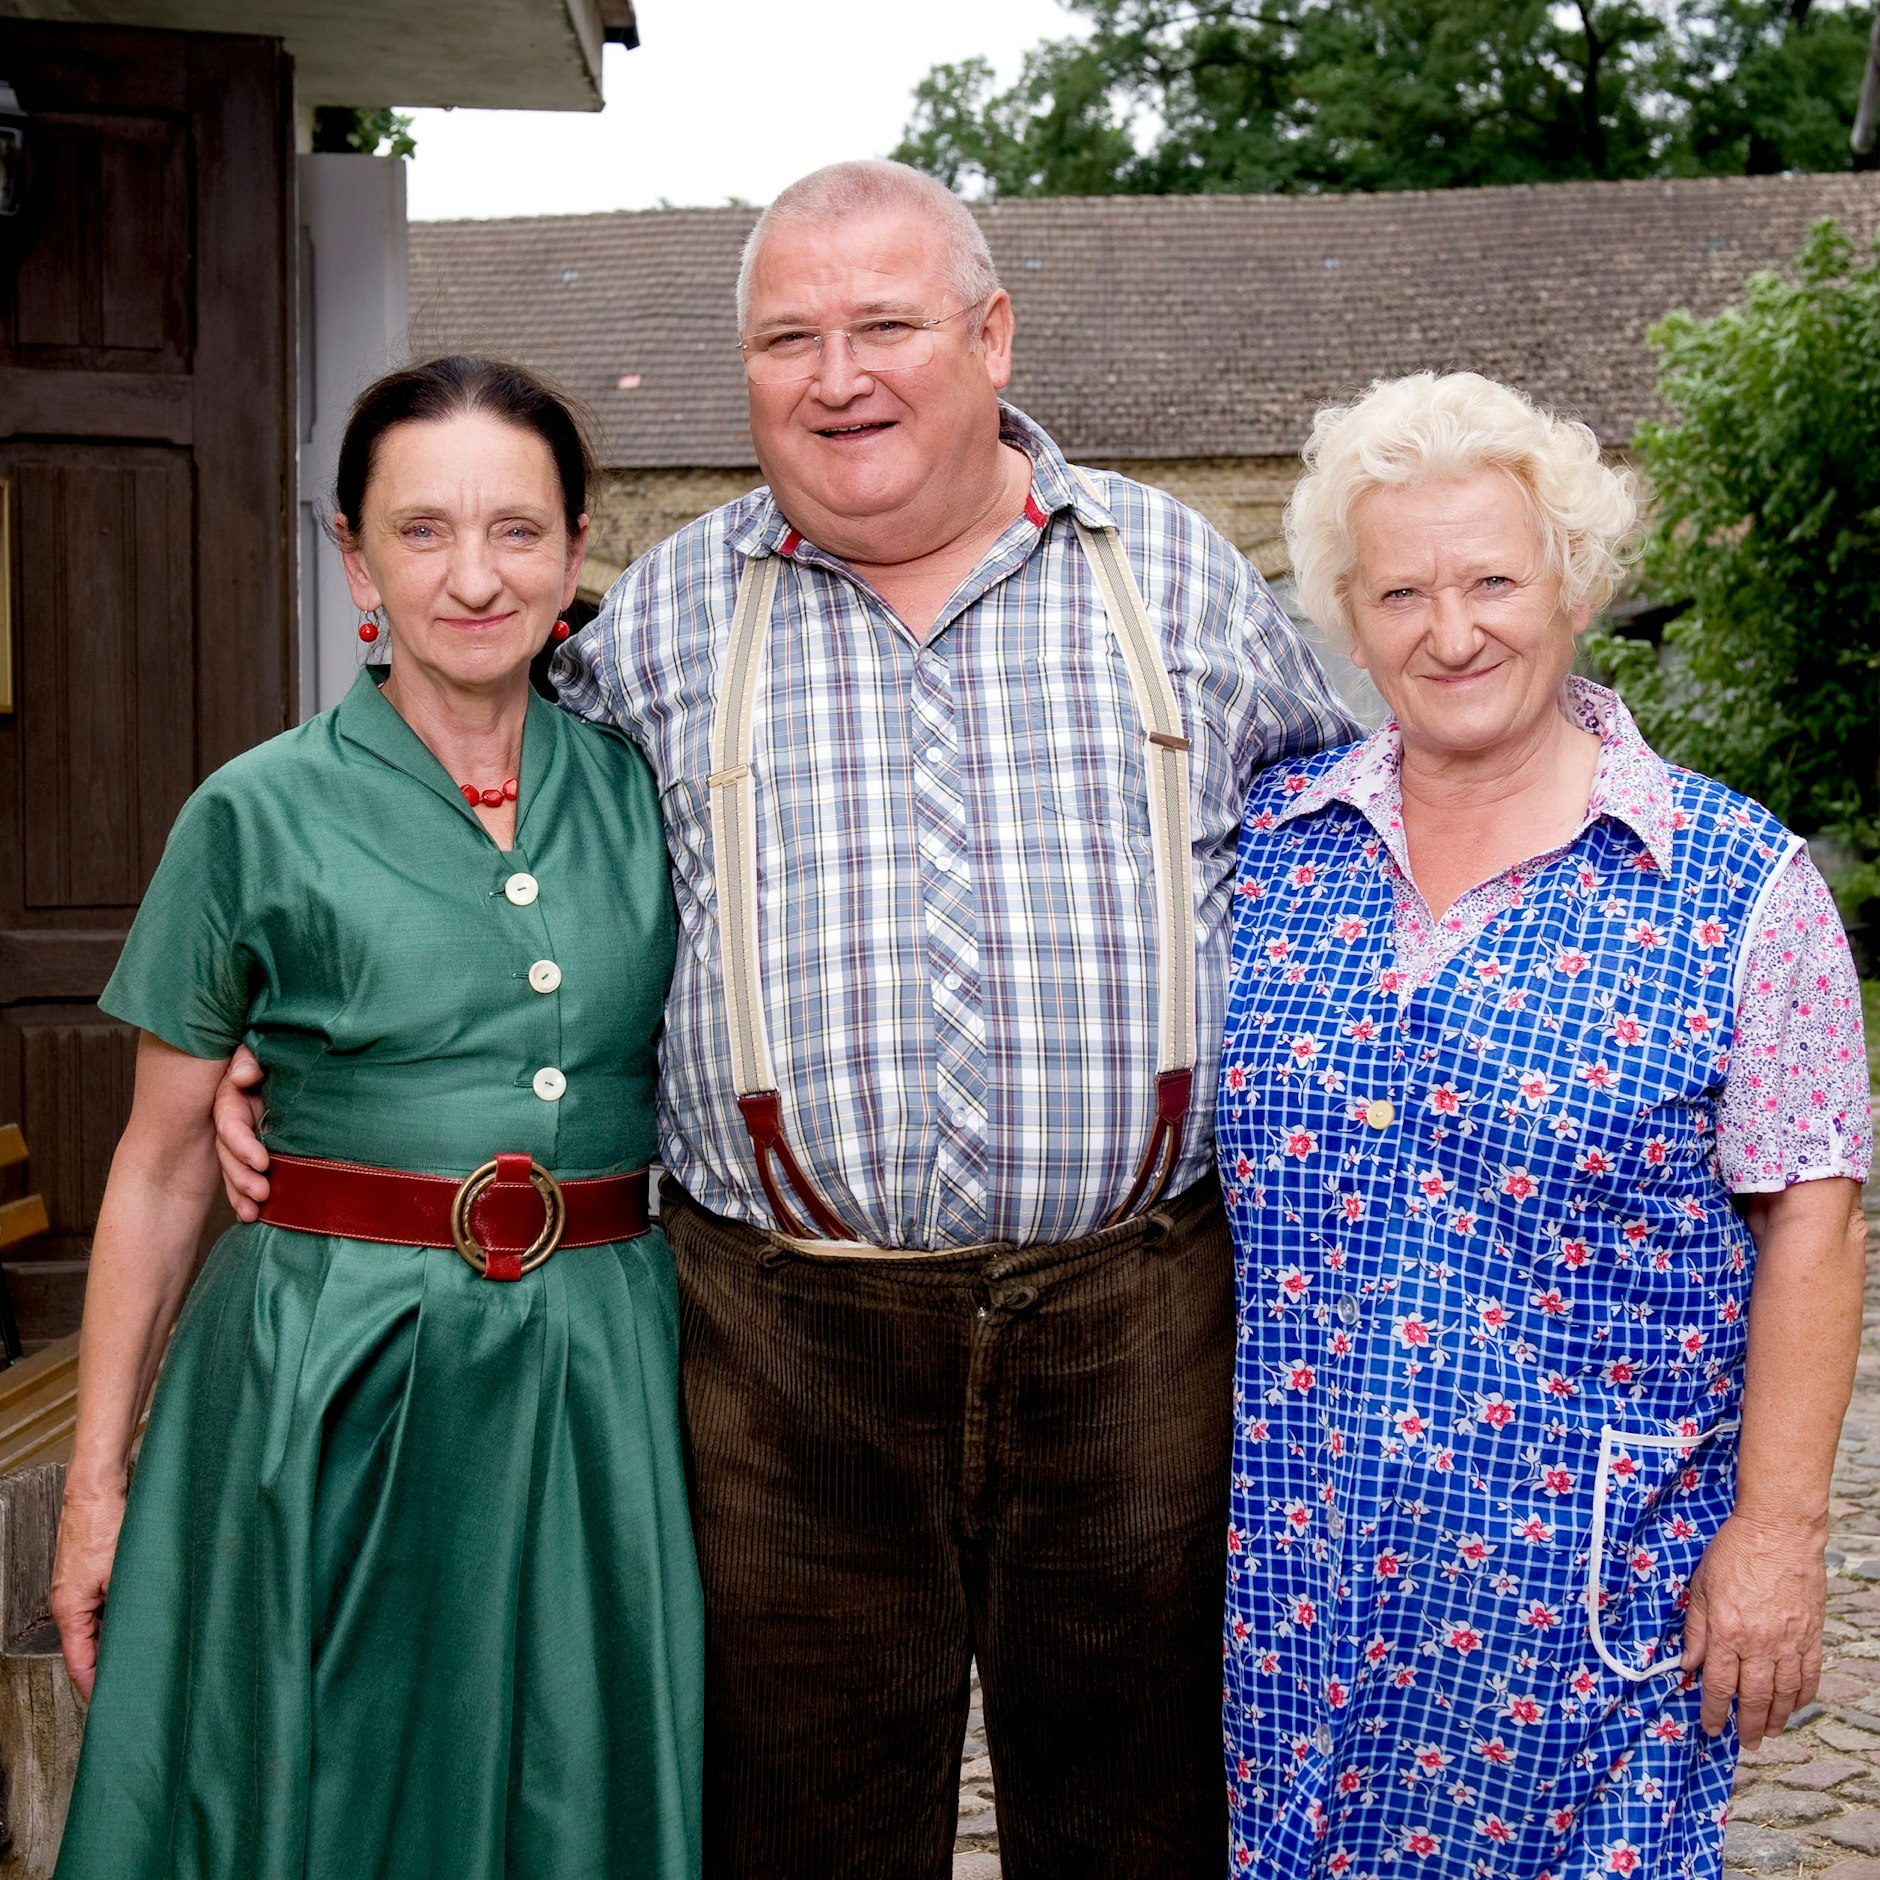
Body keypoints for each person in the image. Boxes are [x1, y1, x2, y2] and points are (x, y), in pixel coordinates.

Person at [215, 159, 1358, 1878]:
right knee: (798, 1821)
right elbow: (477, 825)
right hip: (780, 1346)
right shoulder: (664, 615)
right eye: (789, 337)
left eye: (886, 324)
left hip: (1134, 1318)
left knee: (1139, 1814)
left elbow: (1389, 799)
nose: (840, 376)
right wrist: (299, 1040)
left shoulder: (1178, 574)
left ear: (990, 336)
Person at [1215, 370, 1872, 1879]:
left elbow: (1815, 1221)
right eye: (1401, 594)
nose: (1452, 632)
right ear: (1349, 615)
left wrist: (1776, 1539)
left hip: (1580, 1586)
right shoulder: (1274, 849)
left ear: (1573, 583)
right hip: (1300, 1588)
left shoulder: (1732, 883)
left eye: (1494, 579)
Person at [50, 357, 702, 1880]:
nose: (474, 576)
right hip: (317, 1369)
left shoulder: (652, 792)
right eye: (421, 531)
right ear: (351, 552)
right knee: (317, 1792)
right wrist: (97, 1492)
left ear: (575, 546)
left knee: (571, 1784)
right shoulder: (252, 812)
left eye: (516, 531)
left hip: (601, 1368)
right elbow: (155, 1172)